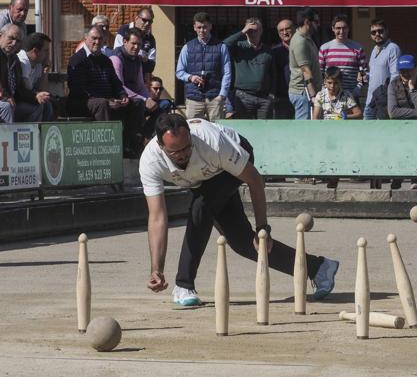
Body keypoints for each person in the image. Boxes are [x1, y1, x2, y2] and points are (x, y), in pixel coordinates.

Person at [139, 114, 340, 305]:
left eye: (186, 148)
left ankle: (184, 285)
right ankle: (319, 268)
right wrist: (156, 269)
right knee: (243, 242)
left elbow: (255, 180)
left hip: (236, 158)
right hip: (205, 179)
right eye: (175, 152)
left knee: (202, 207)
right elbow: (157, 217)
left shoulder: (213, 142)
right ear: (160, 145)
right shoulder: (150, 162)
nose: (182, 155)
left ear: (191, 137)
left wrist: (263, 228)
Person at [67, 25, 144, 158]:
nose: (97, 42)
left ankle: (129, 146)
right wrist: (108, 101)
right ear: (86, 38)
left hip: (108, 100)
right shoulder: (77, 60)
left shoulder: (105, 60)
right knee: (101, 104)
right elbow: (77, 89)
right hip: (84, 102)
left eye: (100, 39)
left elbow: (116, 83)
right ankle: (107, 150)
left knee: (137, 103)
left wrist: (122, 95)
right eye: (94, 38)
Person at [176, 12, 231, 121]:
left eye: (205, 27)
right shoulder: (187, 47)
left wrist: (222, 95)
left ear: (210, 26)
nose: (202, 30)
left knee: (217, 131)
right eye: (199, 27)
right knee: (194, 132)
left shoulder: (221, 47)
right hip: (194, 98)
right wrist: (191, 77)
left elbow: (227, 73)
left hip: (215, 98)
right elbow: (179, 71)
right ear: (194, 28)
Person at [387, 54, 417, 190]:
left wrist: (412, 89)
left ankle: (415, 177)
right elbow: (392, 112)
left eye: (409, 70)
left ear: (416, 69)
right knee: (398, 143)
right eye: (402, 71)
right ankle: (397, 176)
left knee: (415, 142)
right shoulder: (393, 84)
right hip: (399, 128)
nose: (405, 74)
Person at [224, 17, 275, 119]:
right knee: (244, 129)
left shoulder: (268, 50)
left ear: (261, 31)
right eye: (250, 31)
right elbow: (224, 44)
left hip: (265, 98)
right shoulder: (239, 47)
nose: (253, 34)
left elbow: (273, 73)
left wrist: (272, 93)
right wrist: (243, 31)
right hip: (243, 96)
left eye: (256, 30)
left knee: (265, 130)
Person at [318, 14, 367, 98]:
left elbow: (364, 71)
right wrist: (324, 90)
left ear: (348, 28)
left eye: (344, 28)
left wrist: (358, 89)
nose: (341, 31)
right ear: (333, 29)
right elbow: (320, 73)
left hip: (351, 96)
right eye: (338, 28)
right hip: (330, 96)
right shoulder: (324, 48)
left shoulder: (358, 48)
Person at [289, 7, 322, 120]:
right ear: (307, 22)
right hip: (303, 92)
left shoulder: (307, 38)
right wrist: (313, 96)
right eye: (316, 22)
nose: (319, 25)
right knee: (303, 129)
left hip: (307, 91)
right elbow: (305, 70)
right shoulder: (300, 41)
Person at [363, 19, 400, 120]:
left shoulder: (393, 48)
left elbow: (395, 76)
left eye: (380, 31)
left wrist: (390, 99)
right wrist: (365, 76)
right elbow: (375, 74)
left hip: (384, 101)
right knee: (365, 134)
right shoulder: (374, 50)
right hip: (370, 100)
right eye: (373, 32)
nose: (377, 34)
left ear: (386, 31)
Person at [16, 32, 54, 122]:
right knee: (37, 107)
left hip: (29, 97)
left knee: (48, 104)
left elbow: (42, 90)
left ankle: (42, 133)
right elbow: (27, 89)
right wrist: (38, 95)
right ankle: (32, 134)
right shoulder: (22, 61)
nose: (48, 54)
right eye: (46, 50)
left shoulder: (38, 63)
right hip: (17, 101)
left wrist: (45, 72)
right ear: (36, 51)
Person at [0, 23, 35, 123]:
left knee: (37, 107)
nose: (14, 43)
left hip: (12, 100)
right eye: (11, 38)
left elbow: (19, 88)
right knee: (6, 107)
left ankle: (30, 137)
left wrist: (35, 97)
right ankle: (8, 138)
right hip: (4, 100)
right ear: (1, 36)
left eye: (18, 41)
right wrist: (6, 97)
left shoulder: (14, 59)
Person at [114, 7, 156, 79]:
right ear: (136, 18)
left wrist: (145, 60)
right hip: (123, 76)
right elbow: (117, 53)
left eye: (150, 21)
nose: (147, 24)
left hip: (140, 79)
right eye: (144, 20)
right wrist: (139, 57)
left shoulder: (150, 38)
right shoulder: (124, 30)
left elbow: (151, 66)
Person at [272, 19, 295, 119]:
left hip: (300, 95)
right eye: (281, 30)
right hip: (281, 97)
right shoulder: (274, 51)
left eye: (287, 29)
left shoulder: (303, 47)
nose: (285, 32)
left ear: (294, 29)